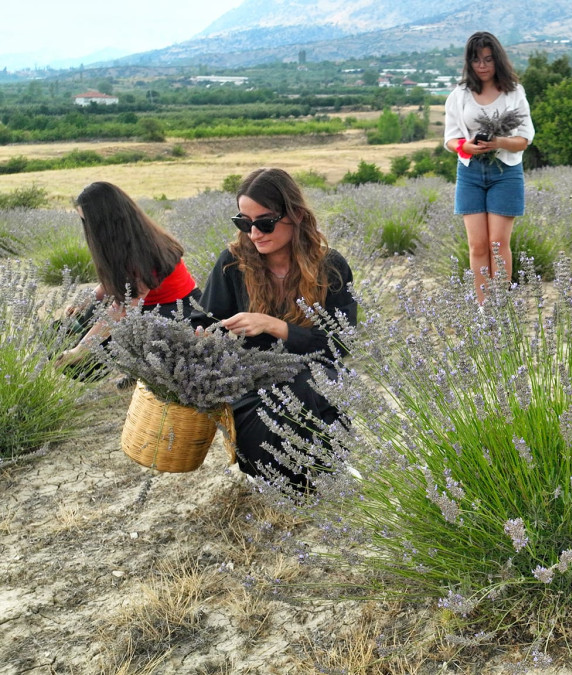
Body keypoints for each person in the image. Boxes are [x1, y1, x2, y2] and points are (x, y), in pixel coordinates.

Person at [198, 167, 356, 486]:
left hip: (315, 372)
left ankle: (324, 466)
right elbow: (205, 321)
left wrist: (276, 326)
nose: (254, 233)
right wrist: (204, 338)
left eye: (265, 222)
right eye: (244, 222)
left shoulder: (330, 266)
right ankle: (291, 475)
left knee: (303, 387)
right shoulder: (232, 263)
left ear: (295, 215)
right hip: (253, 380)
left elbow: (340, 344)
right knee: (263, 419)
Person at [57, 181, 200, 373]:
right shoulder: (125, 242)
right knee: (81, 319)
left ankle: (142, 374)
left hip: (181, 310)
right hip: (148, 306)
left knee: (87, 362)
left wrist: (80, 350)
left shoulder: (145, 252)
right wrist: (83, 303)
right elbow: (113, 284)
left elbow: (122, 309)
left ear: (106, 223)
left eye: (89, 222)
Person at [443, 30, 535, 303]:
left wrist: (498, 142)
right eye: (476, 60)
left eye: (488, 59)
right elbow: (450, 139)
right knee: (477, 245)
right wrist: (465, 146)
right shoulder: (459, 95)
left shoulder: (514, 92)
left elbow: (524, 140)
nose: (482, 66)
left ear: (498, 60)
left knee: (498, 244)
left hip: (505, 172)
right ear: (468, 62)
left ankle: (501, 305)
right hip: (470, 172)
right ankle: (484, 309)